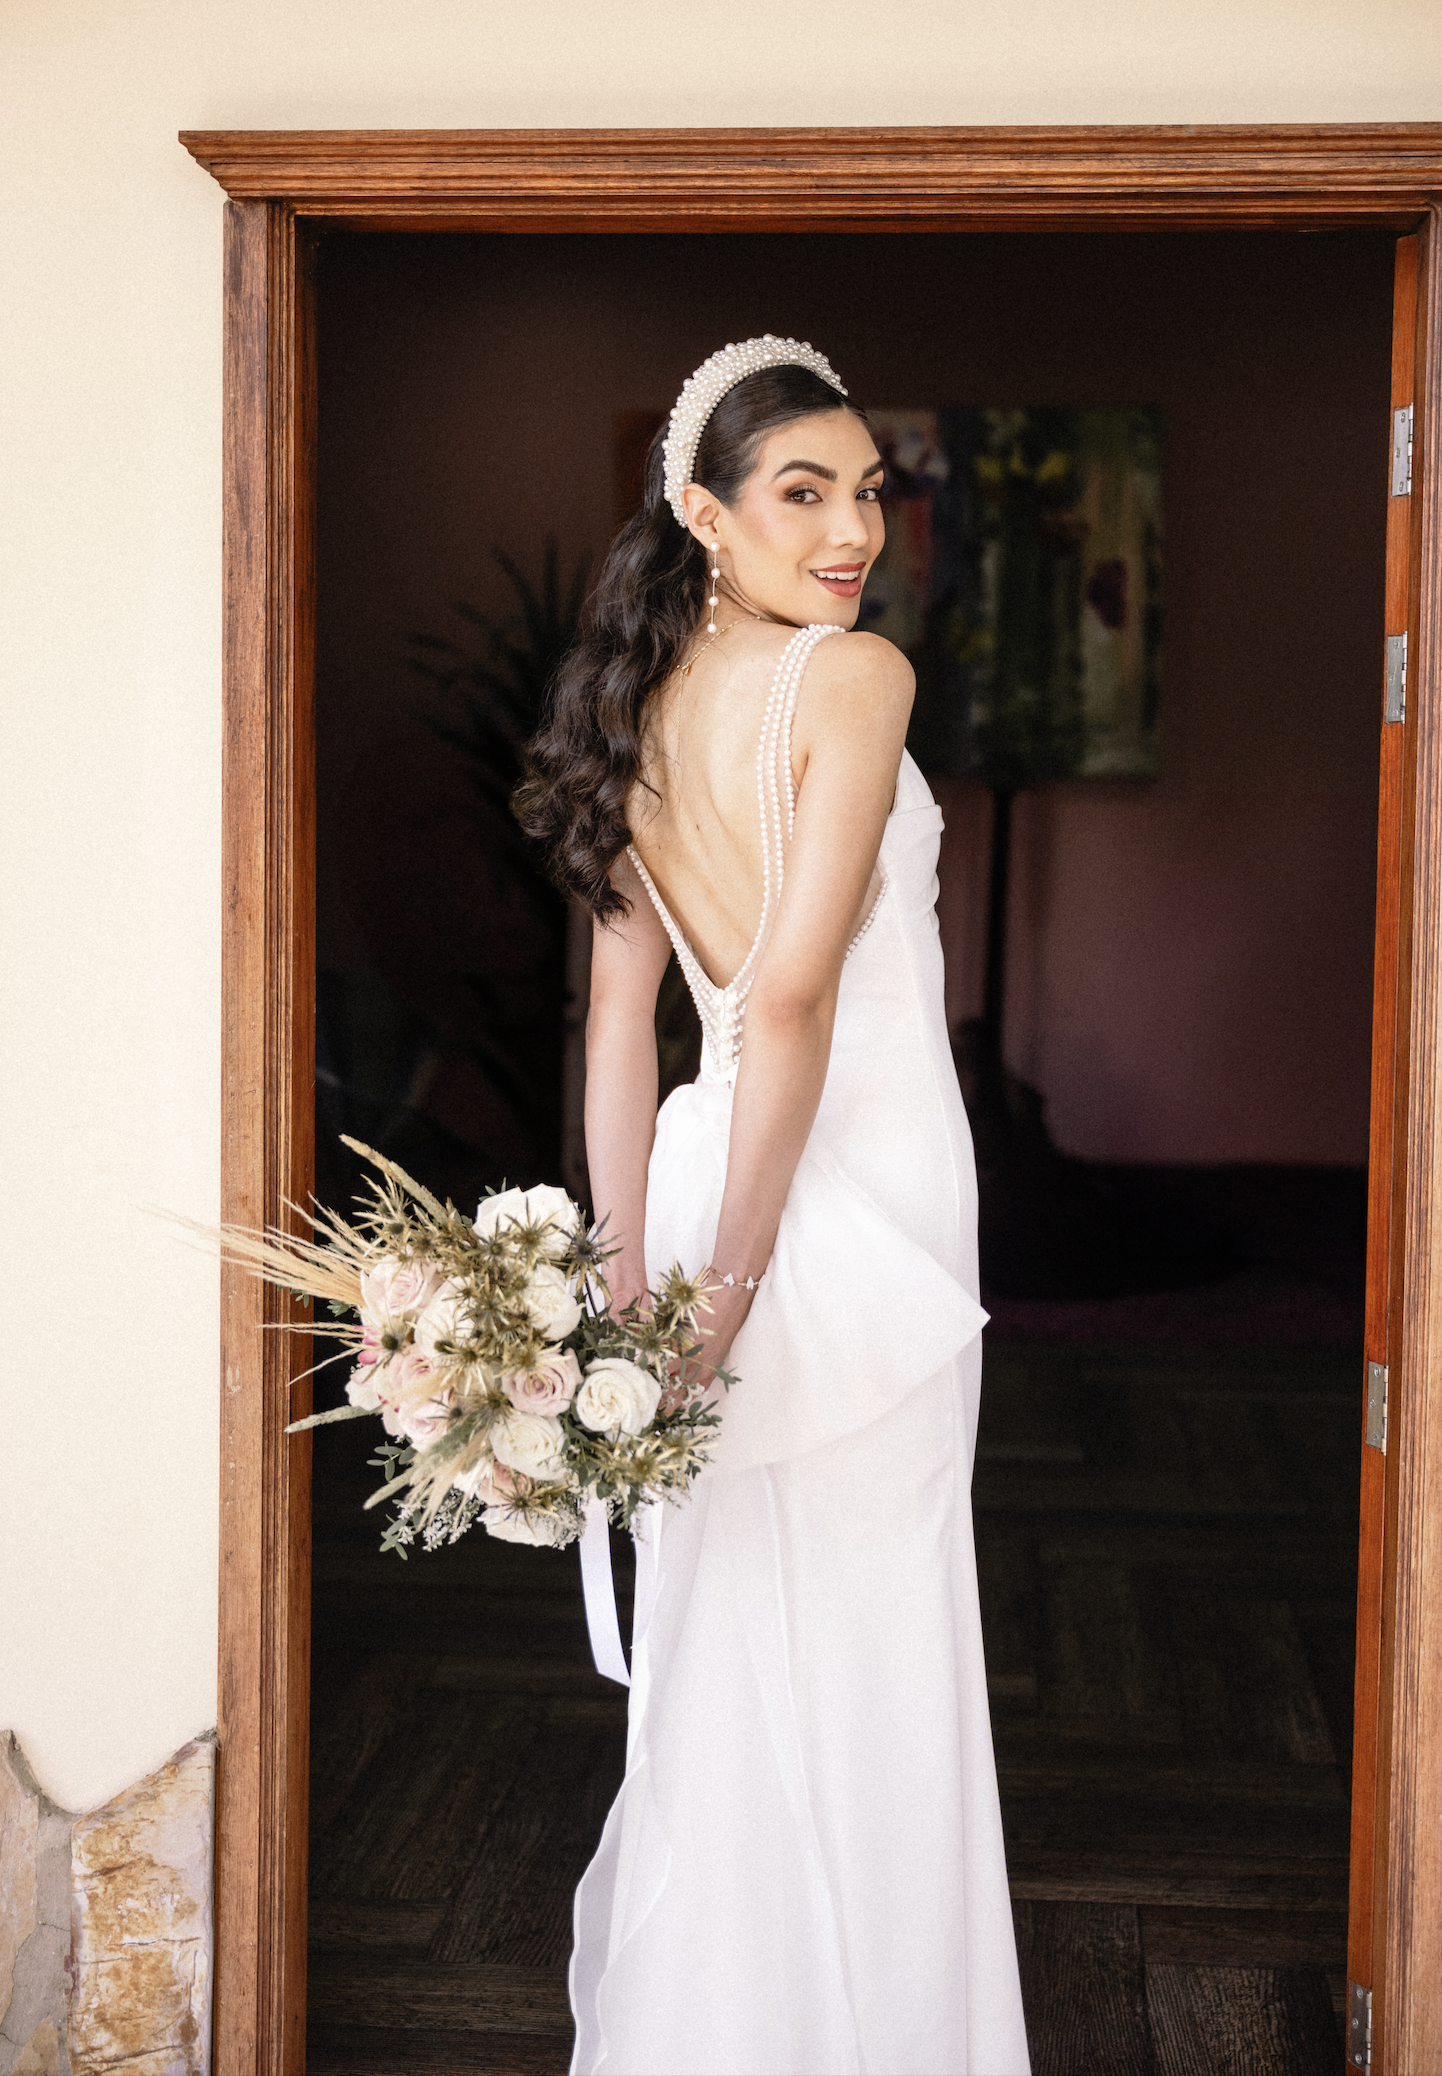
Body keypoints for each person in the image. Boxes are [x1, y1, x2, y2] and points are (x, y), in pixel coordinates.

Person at [516, 338, 1030, 2076]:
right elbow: (793, 1000)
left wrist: (618, 1285)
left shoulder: (627, 708)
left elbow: (614, 1028)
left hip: (687, 1186)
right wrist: (714, 1306)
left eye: (867, 489)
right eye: (801, 491)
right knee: (877, 1643)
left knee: (733, 1639)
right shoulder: (851, 678)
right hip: (842, 1192)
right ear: (701, 512)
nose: (851, 529)